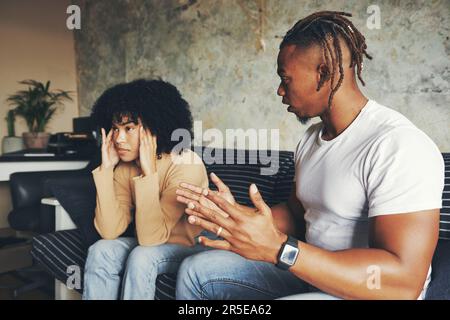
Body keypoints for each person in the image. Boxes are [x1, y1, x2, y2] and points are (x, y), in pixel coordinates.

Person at [174, 11, 444, 300]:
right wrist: (235, 217)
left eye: (285, 79)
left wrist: (280, 249)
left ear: (324, 73)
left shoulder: (398, 145)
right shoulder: (311, 138)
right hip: (311, 271)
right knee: (196, 270)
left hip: (368, 293)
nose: (280, 90)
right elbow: (297, 215)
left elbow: (403, 282)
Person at [82, 79, 211, 300]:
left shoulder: (186, 163)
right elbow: (109, 231)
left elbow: (150, 239)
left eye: (129, 129)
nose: (119, 139)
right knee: (100, 250)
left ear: (156, 128)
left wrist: (148, 172)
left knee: (142, 255)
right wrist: (105, 170)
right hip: (151, 239)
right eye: (115, 129)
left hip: (193, 246)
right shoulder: (124, 167)